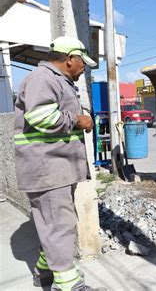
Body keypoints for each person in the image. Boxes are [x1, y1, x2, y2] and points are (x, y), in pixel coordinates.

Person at [14, 36, 102, 291]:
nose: (84, 66)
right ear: (69, 59)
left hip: (54, 168)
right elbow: (41, 116)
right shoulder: (44, 78)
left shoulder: (56, 80)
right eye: (82, 61)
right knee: (59, 224)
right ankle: (68, 284)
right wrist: (78, 120)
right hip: (47, 168)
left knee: (54, 224)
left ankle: (44, 272)